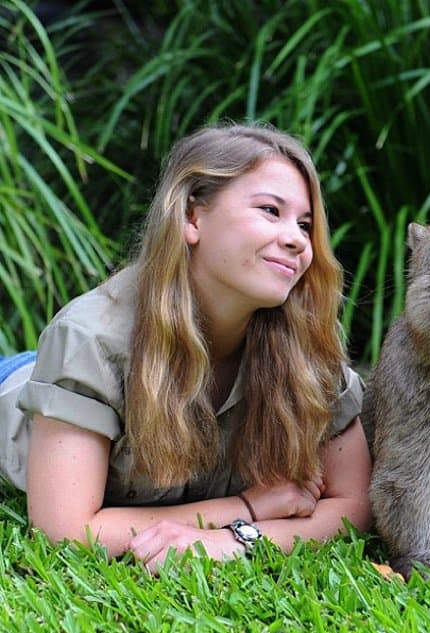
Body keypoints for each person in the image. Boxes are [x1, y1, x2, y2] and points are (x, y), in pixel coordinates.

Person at [0, 122, 372, 573]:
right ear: (192, 218)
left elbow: (353, 505)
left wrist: (237, 543)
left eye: (305, 224)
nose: (297, 239)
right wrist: (245, 509)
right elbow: (66, 531)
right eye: (271, 210)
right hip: (18, 388)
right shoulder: (89, 338)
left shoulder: (307, 338)